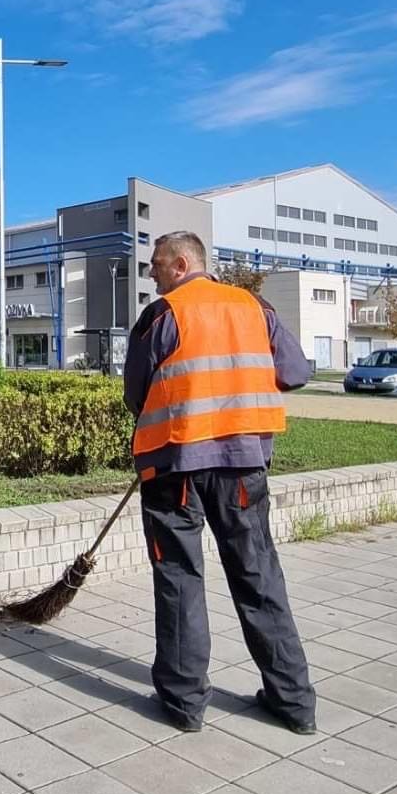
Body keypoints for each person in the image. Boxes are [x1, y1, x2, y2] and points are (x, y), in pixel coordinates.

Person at [123, 231, 317, 735]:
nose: (152, 274)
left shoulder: (162, 315)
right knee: (259, 577)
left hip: (175, 469)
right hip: (244, 469)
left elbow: (135, 393)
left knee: (180, 579)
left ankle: (185, 703)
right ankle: (294, 703)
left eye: (157, 265)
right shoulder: (255, 307)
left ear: (182, 264)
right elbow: (295, 372)